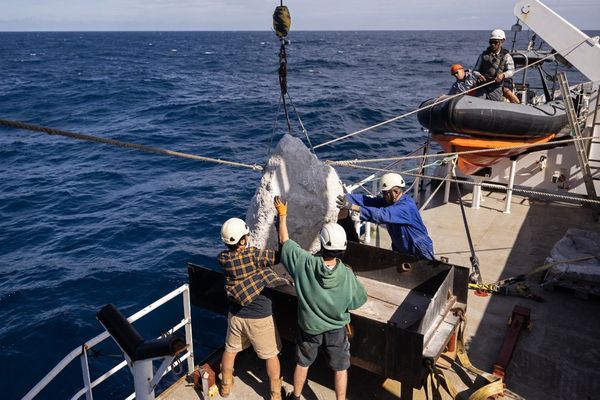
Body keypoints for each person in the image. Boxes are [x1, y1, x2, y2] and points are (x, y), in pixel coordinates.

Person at [273, 197, 367, 400]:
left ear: (322, 243)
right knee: (341, 367)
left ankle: (296, 396)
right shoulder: (347, 274)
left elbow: (285, 243)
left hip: (309, 328)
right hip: (336, 329)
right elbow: (358, 300)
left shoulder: (305, 263)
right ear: (342, 248)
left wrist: (282, 216)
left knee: (303, 362)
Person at [217, 217, 289, 400]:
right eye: (246, 235)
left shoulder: (223, 259)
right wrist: (280, 224)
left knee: (230, 350)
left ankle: (225, 387)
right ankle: (275, 394)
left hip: (235, 316)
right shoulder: (253, 255)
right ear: (242, 240)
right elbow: (281, 255)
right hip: (259, 318)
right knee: (271, 355)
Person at [336, 172, 434, 260]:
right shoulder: (390, 201)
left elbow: (381, 215)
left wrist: (352, 206)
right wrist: (345, 197)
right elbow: (368, 201)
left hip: (418, 248)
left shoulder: (406, 207)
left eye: (385, 193)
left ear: (395, 192)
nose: (383, 195)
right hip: (402, 247)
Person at [473, 29, 517, 102]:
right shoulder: (483, 55)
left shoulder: (506, 56)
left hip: (496, 87)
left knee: (495, 103)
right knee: (478, 101)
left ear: (502, 41)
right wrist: (478, 75)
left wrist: (503, 75)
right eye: (491, 42)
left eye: (495, 42)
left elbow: (511, 71)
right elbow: (475, 70)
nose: (492, 44)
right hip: (482, 85)